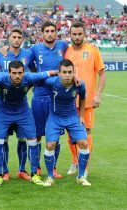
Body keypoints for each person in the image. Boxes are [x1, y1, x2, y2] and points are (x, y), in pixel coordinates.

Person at [0, 21, 68, 178]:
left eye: (52, 31)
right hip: (39, 96)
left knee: (55, 136)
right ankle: (36, 167)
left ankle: (54, 167)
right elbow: (23, 62)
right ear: (42, 33)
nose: (50, 33)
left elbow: (78, 51)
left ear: (56, 33)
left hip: (58, 97)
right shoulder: (34, 50)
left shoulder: (64, 46)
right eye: (47, 31)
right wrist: (3, 48)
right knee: (36, 134)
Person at [0, 60, 57, 187]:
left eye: (20, 73)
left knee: (33, 141)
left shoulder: (29, 78)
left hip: (23, 112)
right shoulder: (1, 78)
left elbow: (49, 73)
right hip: (3, 112)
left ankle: (34, 174)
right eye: (14, 73)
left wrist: (70, 75)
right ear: (9, 72)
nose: (17, 76)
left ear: (24, 72)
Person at [65, 22, 106, 176]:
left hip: (87, 101)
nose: (77, 37)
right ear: (70, 34)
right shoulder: (66, 51)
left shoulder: (93, 50)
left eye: (79, 34)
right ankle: (75, 161)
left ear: (84, 34)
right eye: (74, 34)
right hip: (69, 100)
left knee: (85, 132)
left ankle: (85, 168)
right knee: (70, 133)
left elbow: (102, 74)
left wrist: (98, 94)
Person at [42, 59, 91, 187]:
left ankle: (81, 176)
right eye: (64, 72)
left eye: (70, 72)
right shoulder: (51, 82)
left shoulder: (80, 84)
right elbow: (37, 80)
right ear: (59, 73)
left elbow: (83, 98)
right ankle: (50, 177)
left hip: (72, 117)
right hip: (55, 117)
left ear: (74, 72)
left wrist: (81, 115)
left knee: (84, 143)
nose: (67, 75)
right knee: (50, 145)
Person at [0, 27, 36, 181]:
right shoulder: (1, 54)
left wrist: (31, 86)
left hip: (21, 105)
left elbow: (33, 71)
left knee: (22, 138)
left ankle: (22, 170)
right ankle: (5, 171)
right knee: (3, 139)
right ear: (9, 38)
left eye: (19, 37)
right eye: (14, 37)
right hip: (4, 106)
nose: (17, 39)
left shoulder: (28, 54)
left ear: (23, 39)